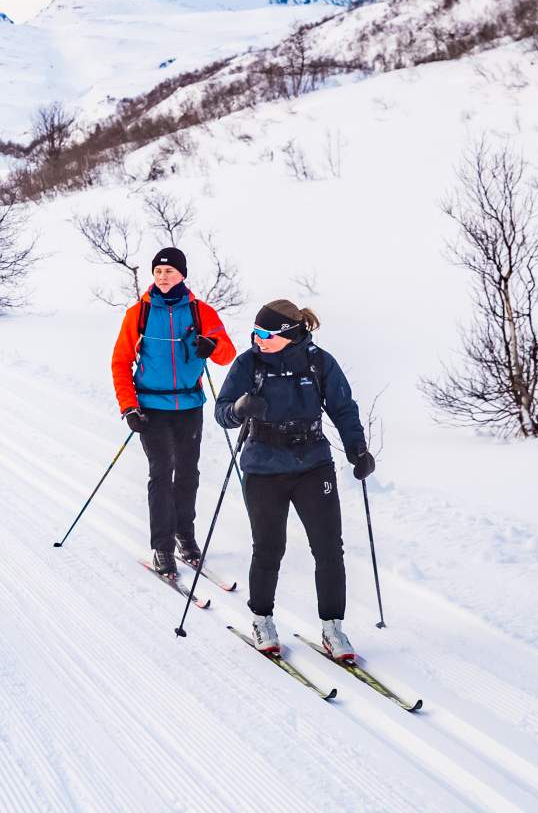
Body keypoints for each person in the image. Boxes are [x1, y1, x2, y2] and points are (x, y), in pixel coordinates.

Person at [214, 299, 374, 661]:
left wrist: (357, 450)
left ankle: (333, 628)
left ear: (288, 334)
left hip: (312, 463)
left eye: (265, 334)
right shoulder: (248, 363)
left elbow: (343, 408)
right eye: (254, 333)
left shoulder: (319, 362)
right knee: (269, 548)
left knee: (329, 548)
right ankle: (262, 620)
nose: (257, 340)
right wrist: (240, 409)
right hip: (263, 467)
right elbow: (222, 411)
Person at [111, 246, 236, 576]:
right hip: (151, 408)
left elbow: (227, 354)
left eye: (169, 271)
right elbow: (121, 363)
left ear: (182, 274)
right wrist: (129, 407)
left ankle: (185, 535)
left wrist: (212, 346)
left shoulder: (201, 312)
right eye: (157, 272)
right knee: (161, 473)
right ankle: (162, 547)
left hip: (190, 406)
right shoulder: (138, 313)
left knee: (188, 474)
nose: (162, 277)